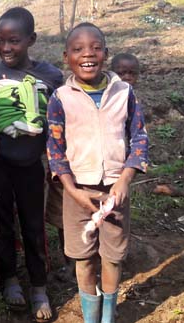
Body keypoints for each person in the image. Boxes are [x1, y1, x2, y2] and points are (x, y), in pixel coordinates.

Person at [46, 22, 149, 323]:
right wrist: (72, 189)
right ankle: (91, 317)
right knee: (82, 257)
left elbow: (139, 137)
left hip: (114, 191)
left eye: (95, 48)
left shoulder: (124, 92)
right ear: (66, 56)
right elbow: (54, 148)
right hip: (77, 191)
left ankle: (108, 316)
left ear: (106, 53)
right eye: (78, 49)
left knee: (113, 256)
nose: (87, 54)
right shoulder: (61, 98)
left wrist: (125, 179)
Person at [0, 7, 63, 321]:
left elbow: (61, 119)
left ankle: (39, 286)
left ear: (31, 39)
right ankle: (9, 277)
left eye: (14, 41)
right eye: (0, 41)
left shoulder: (50, 76)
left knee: (34, 226)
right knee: (2, 225)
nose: (6, 48)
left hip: (32, 166)